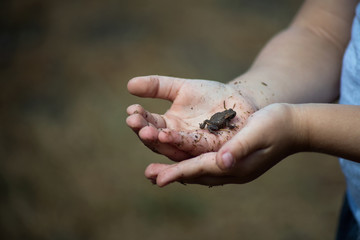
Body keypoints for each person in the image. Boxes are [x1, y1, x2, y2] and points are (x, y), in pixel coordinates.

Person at [126, 0, 360, 238]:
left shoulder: (229, 117)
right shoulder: (225, 119)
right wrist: (251, 94)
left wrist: (301, 127)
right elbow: (322, 33)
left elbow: (230, 118)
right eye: (232, 115)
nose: (233, 116)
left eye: (232, 115)